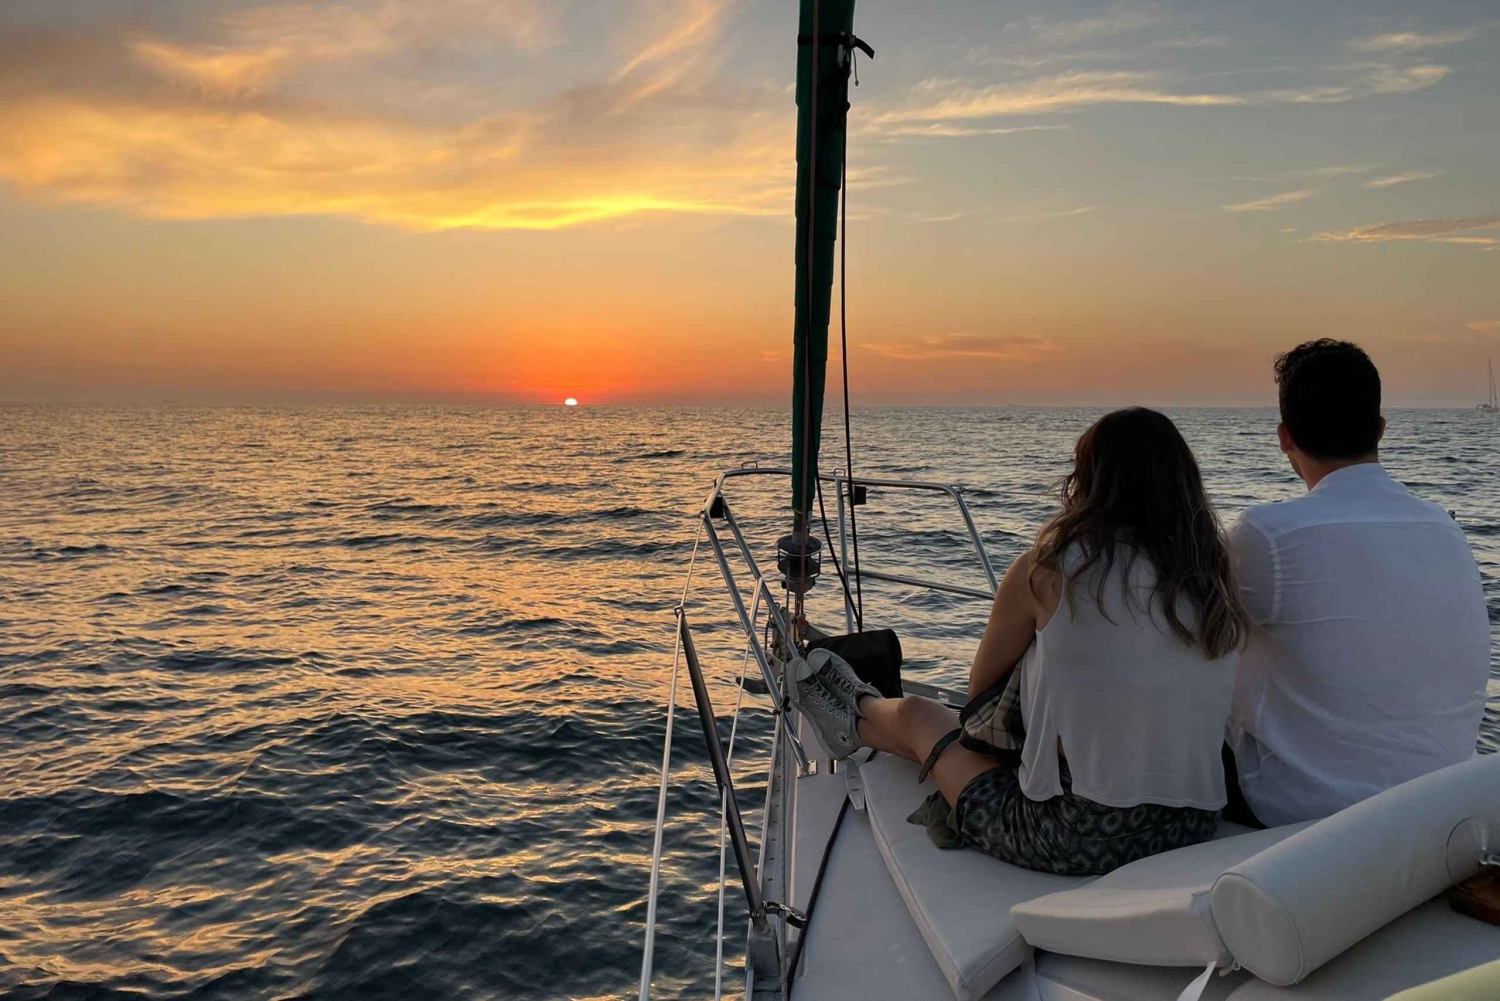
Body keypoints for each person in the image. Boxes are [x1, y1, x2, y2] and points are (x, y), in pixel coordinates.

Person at [792, 408, 1251, 876]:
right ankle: (857, 705)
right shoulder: (1212, 574)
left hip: (1077, 834)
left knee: (920, 715)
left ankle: (856, 714)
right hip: (1195, 822)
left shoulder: (1050, 568)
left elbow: (978, 696)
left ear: (1087, 482)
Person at [1223, 339, 1491, 828]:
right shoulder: (1445, 528)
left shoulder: (1268, 534)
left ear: (1284, 437)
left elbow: (1180, 632)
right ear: (1381, 431)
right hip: (1444, 801)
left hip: (1304, 811)